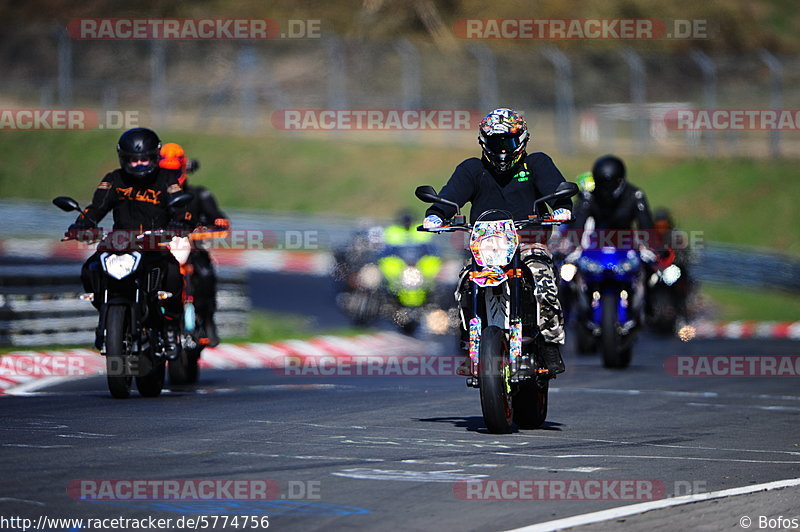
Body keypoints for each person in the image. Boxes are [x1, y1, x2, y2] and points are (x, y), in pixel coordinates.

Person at [422, 107, 572, 374]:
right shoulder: (472, 168)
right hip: (486, 248)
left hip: (529, 243)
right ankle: (470, 341)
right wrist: (435, 214)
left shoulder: (537, 163)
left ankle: (550, 344)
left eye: (509, 142)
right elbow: (451, 195)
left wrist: (561, 206)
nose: (502, 150)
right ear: (483, 142)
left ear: (523, 139)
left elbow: (556, 190)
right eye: (495, 143)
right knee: (465, 282)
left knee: (543, 278)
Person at [66, 127, 187, 356]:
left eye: (144, 160)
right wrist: (82, 224)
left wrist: (179, 224)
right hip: (119, 244)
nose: (139, 165)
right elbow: (97, 208)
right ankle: (106, 311)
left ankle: (170, 328)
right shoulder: (114, 179)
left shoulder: (166, 179)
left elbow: (180, 207)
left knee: (173, 275)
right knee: (88, 269)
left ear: (154, 157)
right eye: (133, 161)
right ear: (123, 159)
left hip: (153, 246)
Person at [159, 142, 230, 347]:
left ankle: (207, 319)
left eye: (174, 171)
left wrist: (215, 225)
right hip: (161, 251)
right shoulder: (153, 197)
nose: (171, 176)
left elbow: (218, 218)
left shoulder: (199, 195)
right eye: (166, 171)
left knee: (206, 275)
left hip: (193, 251)